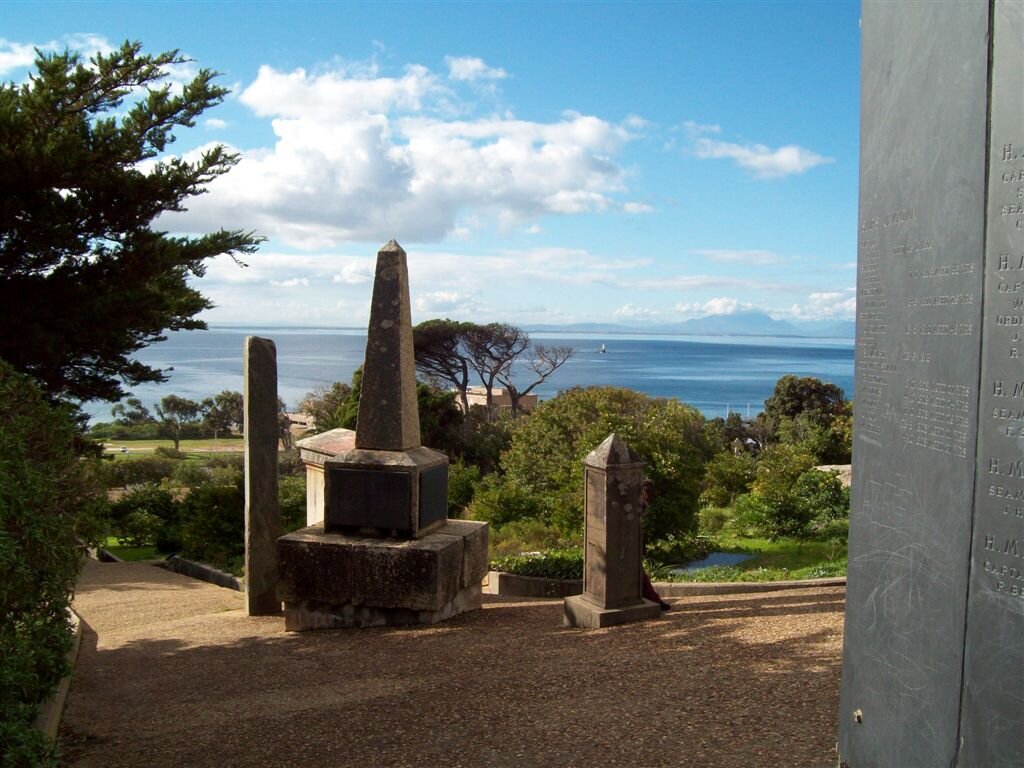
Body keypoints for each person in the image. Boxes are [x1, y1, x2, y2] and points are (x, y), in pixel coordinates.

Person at [640, 478, 672, 611]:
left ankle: (655, 600)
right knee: (640, 576)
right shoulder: (640, 504)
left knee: (640, 575)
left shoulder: (641, 504)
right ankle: (655, 600)